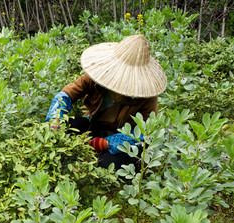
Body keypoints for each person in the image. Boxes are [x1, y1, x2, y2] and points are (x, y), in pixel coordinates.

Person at [45, 34, 167, 169]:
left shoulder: (147, 95)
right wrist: (56, 117)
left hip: (121, 137)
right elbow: (67, 94)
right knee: (67, 126)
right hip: (94, 124)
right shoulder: (98, 76)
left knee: (106, 165)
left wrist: (107, 143)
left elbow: (146, 133)